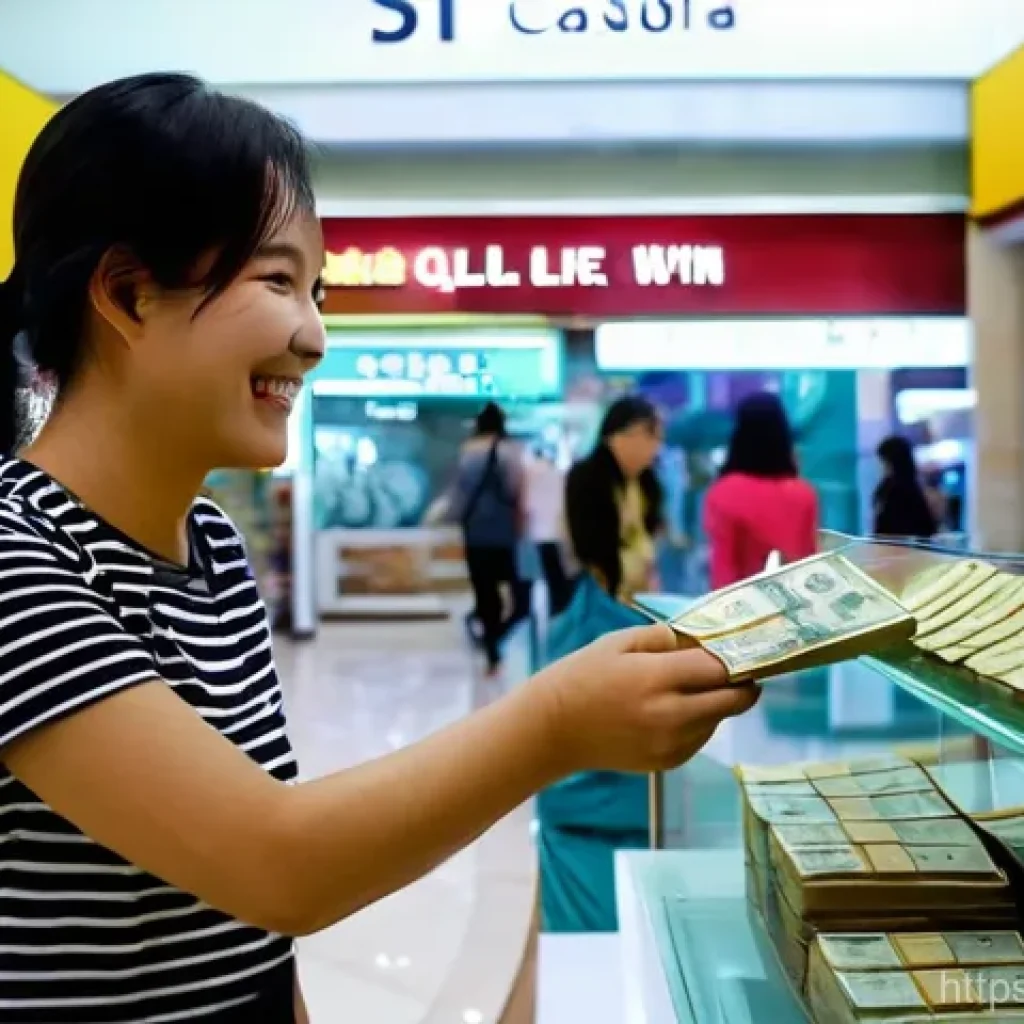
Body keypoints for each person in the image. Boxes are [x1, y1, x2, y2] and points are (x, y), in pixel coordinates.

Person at [0, 75, 760, 1022]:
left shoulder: (212, 549)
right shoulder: (19, 558)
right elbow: (275, 864)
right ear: (127, 293)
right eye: (278, 282)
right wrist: (556, 724)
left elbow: (251, 938)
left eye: (315, 290)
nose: (314, 335)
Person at [703, 392, 818, 590]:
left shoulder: (723, 493)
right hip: (792, 599)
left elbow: (723, 569)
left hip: (740, 602)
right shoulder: (804, 494)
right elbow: (807, 561)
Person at [566, 396, 665, 603]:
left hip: (643, 593)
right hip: (605, 593)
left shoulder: (646, 482)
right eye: (651, 435)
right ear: (621, 436)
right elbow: (588, 544)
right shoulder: (588, 479)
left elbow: (649, 533)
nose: (656, 446)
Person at [451, 402, 525, 674]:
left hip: (475, 533)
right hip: (505, 534)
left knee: (485, 594)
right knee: (520, 599)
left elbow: (459, 495)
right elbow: (516, 490)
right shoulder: (510, 451)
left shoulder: (468, 451)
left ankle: (492, 649)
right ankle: (495, 639)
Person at [524, 443, 572, 616]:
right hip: (559, 535)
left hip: (538, 535)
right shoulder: (558, 474)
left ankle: (555, 617)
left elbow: (525, 506)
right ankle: (561, 617)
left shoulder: (529, 475)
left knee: (550, 581)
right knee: (561, 584)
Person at [873, 435, 939, 541]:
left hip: (898, 547)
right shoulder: (892, 486)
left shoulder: (899, 490)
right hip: (894, 546)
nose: (881, 466)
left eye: (883, 461)